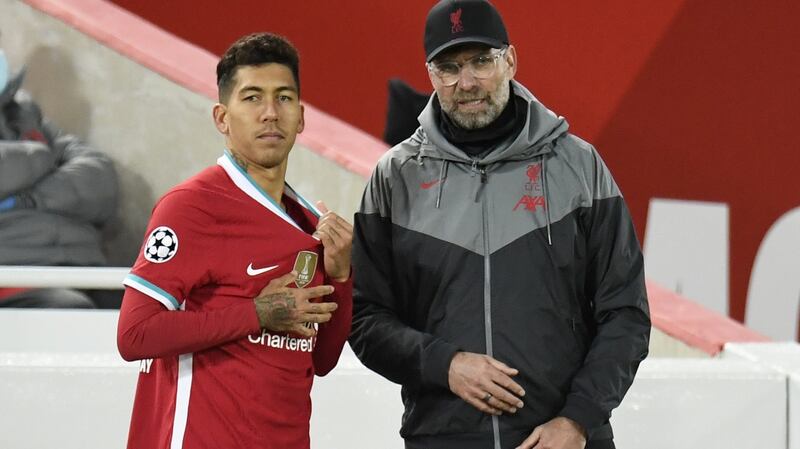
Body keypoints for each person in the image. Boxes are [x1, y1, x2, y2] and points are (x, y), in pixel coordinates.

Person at [349, 1, 651, 448]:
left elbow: (625, 313)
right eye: (448, 67)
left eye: (481, 62)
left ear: (509, 60)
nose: (466, 83)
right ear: (430, 74)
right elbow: (366, 319)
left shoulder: (579, 167)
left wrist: (578, 420)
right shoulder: (395, 177)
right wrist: (445, 364)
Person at [116, 33, 353, 449]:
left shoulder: (310, 224)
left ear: (301, 116)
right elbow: (134, 335)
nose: (269, 113)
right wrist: (257, 313)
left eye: (283, 98)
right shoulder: (191, 206)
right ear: (222, 118)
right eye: (252, 98)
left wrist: (341, 275)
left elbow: (320, 361)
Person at [0, 35, 118, 309]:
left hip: (81, 267)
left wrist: (29, 198)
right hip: (14, 277)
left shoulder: (25, 114)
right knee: (74, 312)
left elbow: (100, 180)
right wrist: (43, 157)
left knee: (162, 314)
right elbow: (22, 161)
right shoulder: (41, 140)